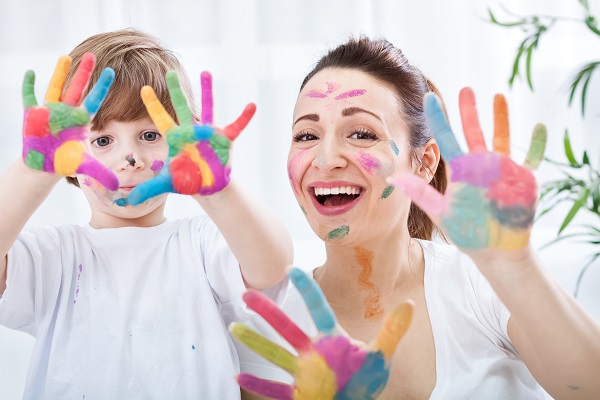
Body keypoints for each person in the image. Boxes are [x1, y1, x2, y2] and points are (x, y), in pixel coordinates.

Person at [235, 36, 600, 400]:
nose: (326, 158)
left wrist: (514, 264)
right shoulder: (271, 330)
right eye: (306, 135)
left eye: (361, 133)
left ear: (424, 162)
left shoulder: (478, 283)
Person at [0, 28, 293, 399]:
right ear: (69, 154)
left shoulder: (201, 244)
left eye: (150, 136)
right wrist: (33, 171)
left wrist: (220, 193)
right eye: (103, 140)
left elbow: (273, 265)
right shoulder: (53, 256)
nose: (130, 158)